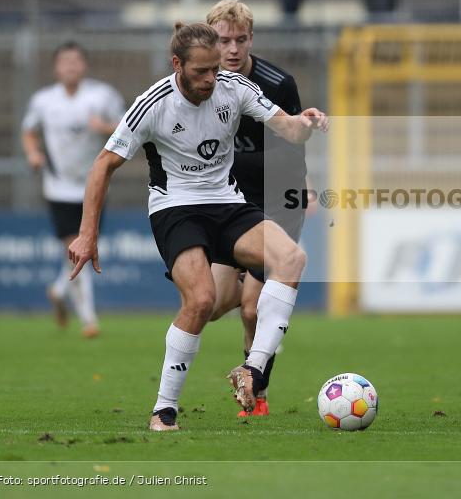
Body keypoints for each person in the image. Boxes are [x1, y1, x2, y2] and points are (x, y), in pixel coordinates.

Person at [67, 22, 328, 431]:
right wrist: (87, 234)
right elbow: (103, 165)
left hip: (227, 203)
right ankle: (164, 409)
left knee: (292, 258)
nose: (211, 79)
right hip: (177, 209)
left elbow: (288, 128)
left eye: (214, 70)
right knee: (202, 300)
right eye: (201, 71)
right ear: (177, 64)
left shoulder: (233, 87)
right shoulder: (152, 104)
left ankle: (253, 371)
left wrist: (306, 121)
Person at [205, 0, 309, 417]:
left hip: (275, 203)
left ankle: (256, 393)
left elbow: (293, 146)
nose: (232, 49)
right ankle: (253, 295)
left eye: (240, 40)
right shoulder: (200, 82)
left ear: (252, 39)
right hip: (228, 202)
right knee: (209, 305)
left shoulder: (278, 83)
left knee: (253, 306)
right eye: (223, 40)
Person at [21, 41, 125, 339]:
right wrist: (33, 153)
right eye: (65, 61)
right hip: (58, 187)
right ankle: (89, 319)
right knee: (76, 248)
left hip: (92, 185)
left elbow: (128, 128)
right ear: (56, 67)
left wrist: (104, 127)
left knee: (82, 248)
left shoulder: (102, 95)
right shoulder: (43, 100)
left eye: (76, 60)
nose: (71, 66)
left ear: (85, 65)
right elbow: (28, 131)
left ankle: (58, 289)